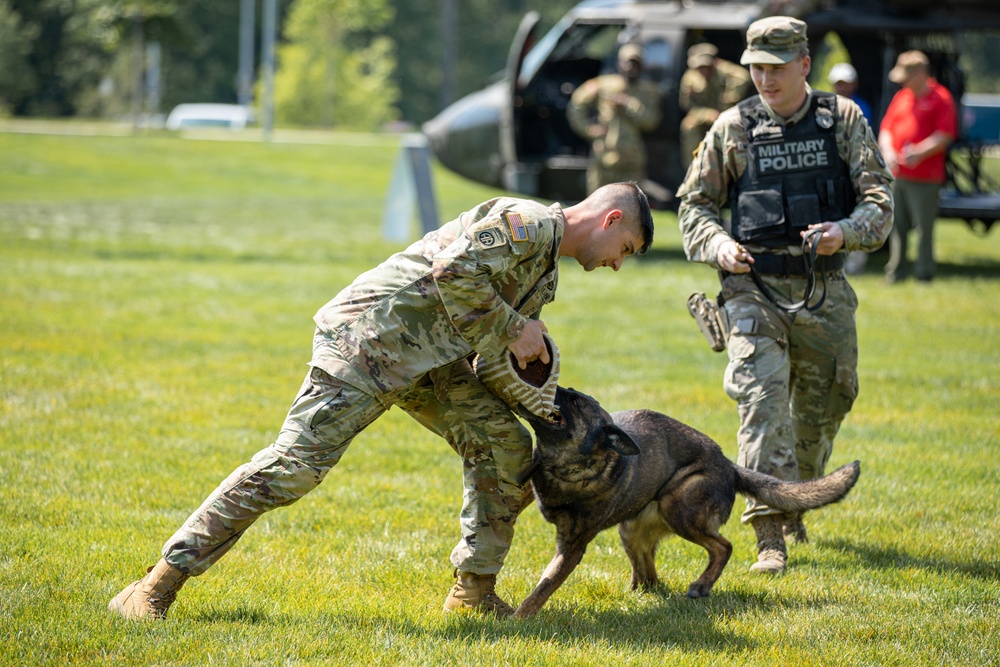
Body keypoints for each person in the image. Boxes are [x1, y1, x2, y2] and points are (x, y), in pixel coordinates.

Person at [108, 182, 655, 620]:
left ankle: (474, 595)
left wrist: (533, 387)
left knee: (506, 449)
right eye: (624, 249)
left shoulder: (544, 273)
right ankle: (155, 585)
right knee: (293, 469)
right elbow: (453, 272)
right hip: (366, 343)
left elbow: (483, 338)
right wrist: (515, 327)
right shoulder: (529, 223)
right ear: (610, 221)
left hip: (430, 362)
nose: (616, 264)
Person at [676, 16, 893, 575]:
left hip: (824, 292)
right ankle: (767, 532)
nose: (765, 80)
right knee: (761, 404)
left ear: (804, 64)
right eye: (756, 68)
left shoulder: (841, 120)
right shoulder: (734, 126)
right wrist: (719, 244)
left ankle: (796, 491)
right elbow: (693, 204)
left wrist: (847, 230)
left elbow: (879, 201)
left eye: (776, 68)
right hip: (752, 292)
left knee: (823, 411)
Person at [879, 50, 957, 284]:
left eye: (907, 76)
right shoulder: (902, 97)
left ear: (921, 73)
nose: (902, 81)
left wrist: (918, 152)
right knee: (897, 225)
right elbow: (886, 129)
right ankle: (896, 272)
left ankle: (924, 273)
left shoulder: (941, 97)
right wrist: (889, 152)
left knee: (924, 228)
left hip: (926, 176)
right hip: (898, 173)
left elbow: (945, 135)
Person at [567, 43, 662, 193]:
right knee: (597, 201)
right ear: (619, 63)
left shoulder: (648, 91)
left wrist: (628, 104)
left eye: (636, 64)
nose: (631, 68)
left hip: (632, 159)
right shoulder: (603, 84)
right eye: (628, 63)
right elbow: (576, 105)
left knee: (630, 204)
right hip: (604, 156)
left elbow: (651, 121)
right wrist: (588, 129)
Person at [828, 62, 874, 274]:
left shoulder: (861, 108)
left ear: (853, 84)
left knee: (855, 212)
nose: (842, 87)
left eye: (846, 83)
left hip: (854, 168)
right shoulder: (825, 106)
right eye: (838, 83)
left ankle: (855, 264)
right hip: (832, 170)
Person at [679, 43, 752, 170]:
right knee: (688, 125)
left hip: (728, 113)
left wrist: (729, 98)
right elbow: (687, 106)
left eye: (706, 66)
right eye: (699, 67)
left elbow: (744, 77)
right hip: (706, 114)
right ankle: (693, 168)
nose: (703, 70)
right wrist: (707, 114)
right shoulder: (690, 78)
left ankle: (732, 168)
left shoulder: (724, 70)